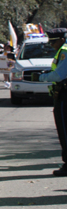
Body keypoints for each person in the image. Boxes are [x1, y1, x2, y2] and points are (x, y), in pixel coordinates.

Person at [38, 33, 67, 176]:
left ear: (62, 39)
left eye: (53, 42)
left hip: (65, 95)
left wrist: (42, 77)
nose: (52, 46)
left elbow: (59, 75)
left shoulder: (65, 50)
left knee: (65, 131)